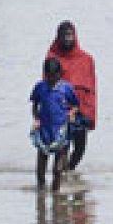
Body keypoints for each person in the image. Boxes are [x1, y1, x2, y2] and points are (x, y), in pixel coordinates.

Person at [45, 21, 97, 171]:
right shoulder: (52, 59)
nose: (68, 38)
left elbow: (92, 89)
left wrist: (91, 113)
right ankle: (59, 185)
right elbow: (46, 87)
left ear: (75, 36)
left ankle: (69, 171)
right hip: (61, 112)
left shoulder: (86, 60)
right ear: (58, 37)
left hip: (82, 110)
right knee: (62, 149)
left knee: (80, 149)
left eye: (70, 35)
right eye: (64, 35)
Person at [30, 57, 80, 192]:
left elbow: (75, 105)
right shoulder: (40, 87)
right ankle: (40, 193)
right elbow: (35, 104)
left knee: (57, 169)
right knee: (41, 167)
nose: (51, 79)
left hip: (61, 132)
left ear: (60, 74)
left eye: (54, 76)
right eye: (48, 76)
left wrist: (71, 113)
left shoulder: (66, 88)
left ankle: (55, 194)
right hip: (44, 130)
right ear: (44, 74)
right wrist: (36, 118)